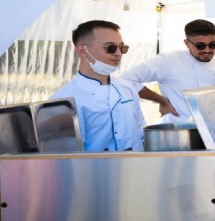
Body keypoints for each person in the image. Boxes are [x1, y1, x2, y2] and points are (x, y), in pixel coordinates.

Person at [51, 20, 145, 152]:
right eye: (110, 48)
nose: (118, 53)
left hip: (135, 167)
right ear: (83, 51)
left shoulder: (127, 87)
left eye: (122, 48)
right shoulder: (65, 99)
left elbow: (140, 128)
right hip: (95, 170)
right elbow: (65, 154)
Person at [121, 19, 215, 123]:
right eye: (200, 46)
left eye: (212, 45)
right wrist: (161, 100)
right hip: (180, 129)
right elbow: (126, 79)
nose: (207, 50)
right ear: (187, 43)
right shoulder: (168, 60)